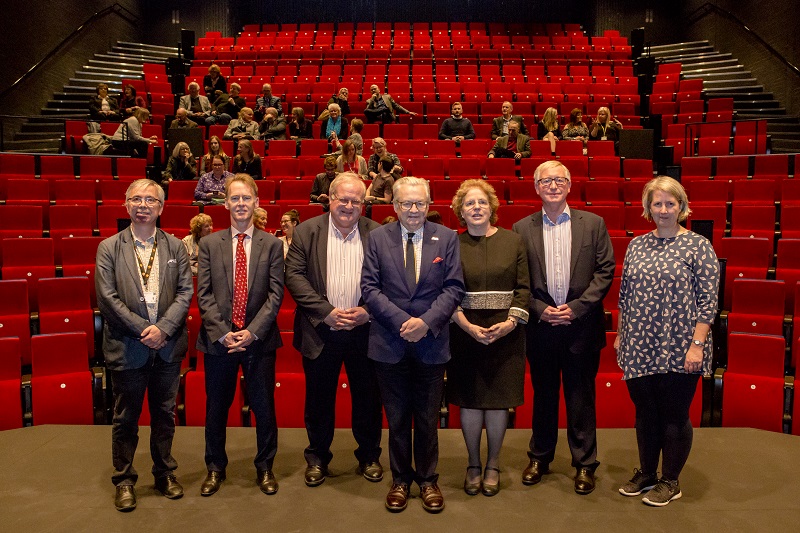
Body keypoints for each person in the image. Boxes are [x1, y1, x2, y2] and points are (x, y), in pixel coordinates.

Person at [361, 177, 465, 513]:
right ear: (394, 205)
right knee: (396, 417)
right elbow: (370, 289)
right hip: (389, 343)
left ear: (429, 203)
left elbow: (453, 288)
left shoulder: (447, 238)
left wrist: (426, 323)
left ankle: (428, 480)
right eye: (407, 203)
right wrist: (402, 322)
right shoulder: (377, 238)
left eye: (420, 203)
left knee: (426, 417)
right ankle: (401, 480)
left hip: (431, 343)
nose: (414, 210)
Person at [615, 176, 719, 507]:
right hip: (640, 343)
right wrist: (621, 334)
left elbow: (709, 301)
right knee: (645, 412)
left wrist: (697, 345)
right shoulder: (637, 245)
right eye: (657, 203)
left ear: (681, 207)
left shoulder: (699, 246)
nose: (663, 210)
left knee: (674, 413)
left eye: (670, 203)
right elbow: (625, 296)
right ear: (648, 208)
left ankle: (670, 480)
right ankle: (647, 472)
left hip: (681, 344)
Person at [512, 160, 614, 496]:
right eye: (546, 181)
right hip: (541, 328)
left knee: (581, 398)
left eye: (559, 180)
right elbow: (518, 280)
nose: (553, 185)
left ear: (570, 185)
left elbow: (604, 272)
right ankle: (540, 457)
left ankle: (585, 464)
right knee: (543, 396)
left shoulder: (594, 224)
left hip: (581, 326)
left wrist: (577, 308)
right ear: (536, 187)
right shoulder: (521, 228)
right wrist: (541, 310)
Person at [95, 179, 192, 512]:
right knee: (126, 418)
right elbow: (106, 299)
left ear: (161, 208)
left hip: (167, 346)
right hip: (128, 345)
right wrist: (144, 330)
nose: (143, 205)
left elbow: (185, 293)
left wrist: (163, 329)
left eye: (150, 200)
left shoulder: (176, 247)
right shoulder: (109, 247)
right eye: (136, 199)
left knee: (165, 415)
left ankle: (165, 473)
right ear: (126, 204)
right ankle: (124, 479)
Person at [284, 173, 384, 488]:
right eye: (344, 199)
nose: (349, 206)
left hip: (364, 331)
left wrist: (367, 312)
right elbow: (295, 277)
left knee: (368, 400)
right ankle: (317, 459)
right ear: (330, 198)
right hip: (320, 331)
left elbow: (390, 280)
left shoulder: (378, 234)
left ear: (364, 204)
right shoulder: (305, 232)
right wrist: (326, 313)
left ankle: (369, 455)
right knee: (318, 400)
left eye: (357, 201)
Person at [196, 173, 284, 497]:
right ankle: (215, 468)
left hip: (258, 342)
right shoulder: (208, 244)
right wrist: (223, 333)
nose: (241, 203)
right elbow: (203, 295)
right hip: (218, 342)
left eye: (247, 198)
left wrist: (251, 332)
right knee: (216, 408)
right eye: (235, 198)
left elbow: (276, 295)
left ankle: (265, 468)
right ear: (225, 203)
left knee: (264, 407)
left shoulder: (272, 245)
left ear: (257, 203)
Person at [448, 180, 530, 497]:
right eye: (470, 204)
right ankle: (472, 463)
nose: (477, 208)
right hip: (465, 330)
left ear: (492, 207)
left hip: (506, 332)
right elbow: (446, 290)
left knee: (497, 402)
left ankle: (493, 463)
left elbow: (524, 289)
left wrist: (511, 323)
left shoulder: (514, 241)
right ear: (461, 211)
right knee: (470, 400)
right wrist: (466, 325)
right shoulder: (451, 244)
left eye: (482, 202)